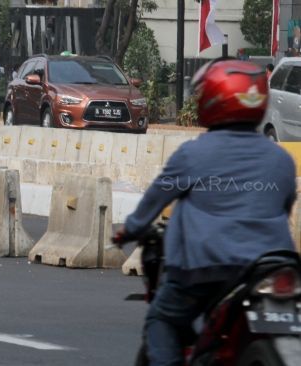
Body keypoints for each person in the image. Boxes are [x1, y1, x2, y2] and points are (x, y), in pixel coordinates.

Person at [114, 59, 296, 366]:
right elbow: (283, 206)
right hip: (274, 269)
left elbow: (153, 202)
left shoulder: (193, 153)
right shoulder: (281, 160)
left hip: (208, 269)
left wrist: (129, 229)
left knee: (162, 320)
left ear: (212, 99)